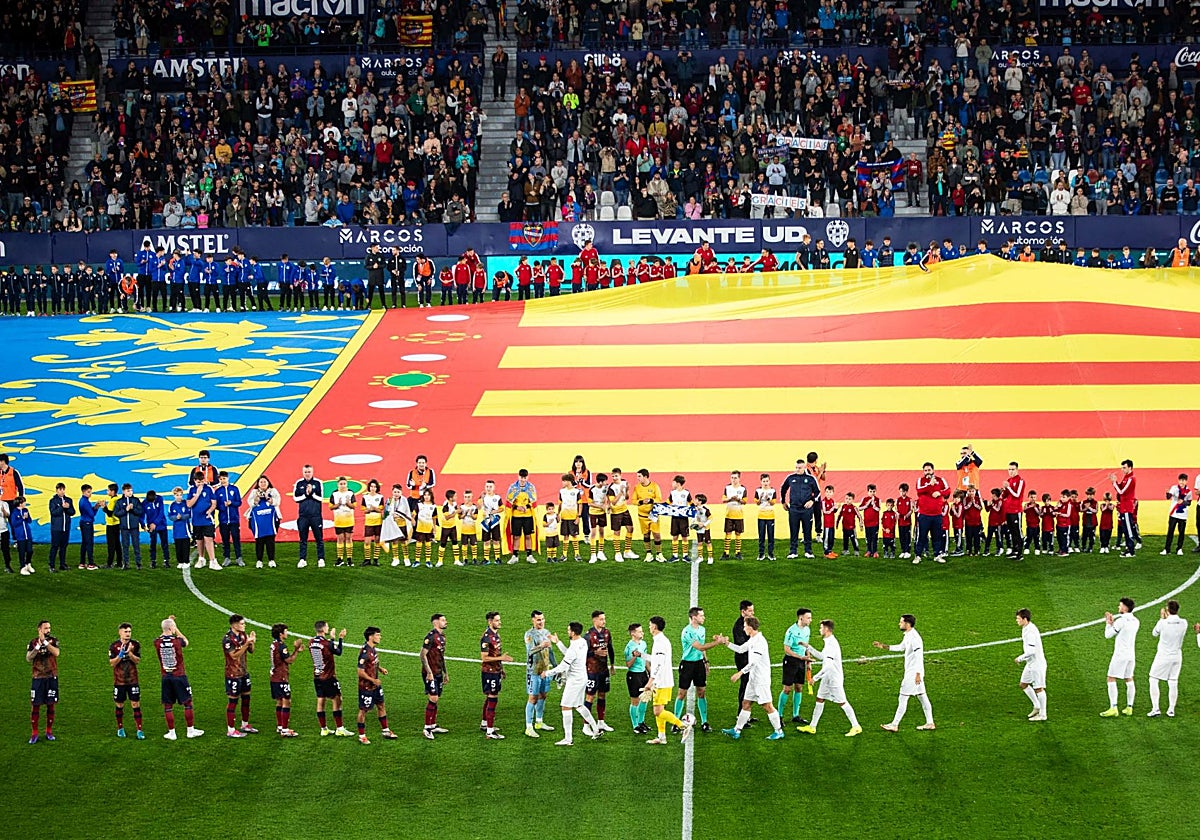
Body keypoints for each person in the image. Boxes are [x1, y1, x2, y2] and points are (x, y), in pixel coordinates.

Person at [719, 615, 784, 740]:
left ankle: (779, 731)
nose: (743, 629)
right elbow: (740, 649)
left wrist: (740, 673)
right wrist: (726, 643)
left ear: (750, 627)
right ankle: (737, 730)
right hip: (754, 679)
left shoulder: (759, 642)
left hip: (761, 680)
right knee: (746, 703)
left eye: (744, 627)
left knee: (767, 706)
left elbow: (753, 662)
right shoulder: (753, 639)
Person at [796, 619, 862, 737]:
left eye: (821, 628)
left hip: (834, 679)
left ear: (826, 629)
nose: (819, 630)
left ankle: (856, 726)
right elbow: (823, 657)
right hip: (827, 678)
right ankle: (812, 727)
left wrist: (815, 678)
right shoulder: (828, 642)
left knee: (842, 702)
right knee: (819, 699)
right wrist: (808, 647)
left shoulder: (831, 644)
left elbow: (829, 665)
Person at [873, 614, 935, 731]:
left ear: (907, 624)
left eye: (901, 622)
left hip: (913, 674)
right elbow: (901, 647)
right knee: (922, 696)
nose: (899, 624)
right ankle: (930, 723)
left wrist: (918, 674)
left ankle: (894, 724)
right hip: (914, 672)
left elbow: (918, 657)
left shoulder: (915, 638)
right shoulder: (908, 635)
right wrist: (883, 646)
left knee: (903, 697)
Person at [674, 607, 725, 734]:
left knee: (701, 692)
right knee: (681, 693)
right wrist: (717, 642)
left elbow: (702, 650)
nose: (704, 617)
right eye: (701, 615)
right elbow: (700, 646)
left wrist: (705, 661)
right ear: (694, 617)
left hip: (699, 664)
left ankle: (704, 722)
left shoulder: (702, 629)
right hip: (687, 665)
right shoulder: (687, 632)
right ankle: (675, 722)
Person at [643, 615, 692, 745]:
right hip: (661, 681)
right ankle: (661, 737)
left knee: (657, 711)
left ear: (654, 627)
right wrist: (642, 655)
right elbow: (656, 659)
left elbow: (658, 664)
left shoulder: (660, 642)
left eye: (650, 625)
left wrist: (650, 681)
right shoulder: (661, 641)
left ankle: (683, 726)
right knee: (659, 709)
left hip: (661, 682)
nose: (649, 627)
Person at [155, 615, 204, 740]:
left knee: (168, 705)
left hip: (166, 677)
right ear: (172, 628)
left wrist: (168, 624)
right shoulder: (177, 641)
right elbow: (186, 641)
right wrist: (175, 628)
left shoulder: (157, 642)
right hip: (179, 676)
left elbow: (163, 633)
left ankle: (172, 733)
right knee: (188, 703)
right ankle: (190, 730)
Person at [309, 621, 352, 736]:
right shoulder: (327, 643)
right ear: (323, 629)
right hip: (328, 677)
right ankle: (340, 729)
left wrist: (331, 639)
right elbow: (338, 652)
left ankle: (324, 729)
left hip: (317, 676)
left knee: (320, 700)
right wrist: (340, 638)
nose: (328, 628)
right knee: (337, 699)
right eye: (327, 626)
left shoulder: (311, 642)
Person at [356, 627, 397, 744]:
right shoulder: (365, 652)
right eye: (378, 635)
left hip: (375, 685)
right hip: (366, 687)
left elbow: (373, 663)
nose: (380, 637)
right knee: (363, 710)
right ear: (371, 637)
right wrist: (372, 680)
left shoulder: (373, 649)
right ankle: (362, 735)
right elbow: (360, 671)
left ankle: (386, 730)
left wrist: (380, 668)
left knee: (381, 705)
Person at [1100, 597, 1140, 717]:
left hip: (1120, 655)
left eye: (1120, 605)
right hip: (1131, 655)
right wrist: (1113, 623)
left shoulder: (1121, 621)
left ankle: (1113, 708)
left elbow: (1108, 635)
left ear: (1125, 608)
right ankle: (1129, 707)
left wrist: (1108, 623)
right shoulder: (1136, 621)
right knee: (1129, 679)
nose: (1118, 607)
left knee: (1111, 678)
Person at [1148, 600, 1187, 718]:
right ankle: (1171, 710)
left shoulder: (1163, 623)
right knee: (1173, 681)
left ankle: (1156, 708)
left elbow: (1154, 633)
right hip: (1177, 656)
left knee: (1153, 679)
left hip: (1164, 656)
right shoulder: (1184, 622)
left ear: (1167, 610)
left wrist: (1162, 619)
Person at [480, 611, 514, 739]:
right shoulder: (486, 637)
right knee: (493, 698)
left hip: (496, 671)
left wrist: (501, 668)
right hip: (489, 672)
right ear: (490, 622)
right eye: (497, 620)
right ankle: (490, 731)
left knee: (490, 697)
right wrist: (502, 658)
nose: (500, 622)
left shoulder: (496, 635)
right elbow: (484, 658)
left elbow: (495, 655)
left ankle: (485, 723)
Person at [523, 610, 557, 738]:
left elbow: (551, 652)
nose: (541, 621)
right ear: (533, 620)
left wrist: (556, 667)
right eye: (538, 619)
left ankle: (539, 722)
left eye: (542, 619)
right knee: (533, 698)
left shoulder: (547, 633)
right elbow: (529, 651)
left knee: (543, 695)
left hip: (545, 671)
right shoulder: (529, 634)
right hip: (534, 671)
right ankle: (528, 727)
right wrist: (541, 646)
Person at [222, 614, 257, 738]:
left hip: (243, 672)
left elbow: (251, 651)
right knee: (233, 701)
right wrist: (247, 643)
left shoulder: (242, 635)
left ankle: (245, 724)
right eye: (242, 623)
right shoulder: (227, 639)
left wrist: (252, 642)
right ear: (234, 625)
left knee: (246, 699)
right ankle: (231, 730)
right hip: (233, 674)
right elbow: (234, 656)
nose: (244, 625)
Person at [27, 620, 60, 744]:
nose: (48, 630)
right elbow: (29, 658)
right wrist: (37, 647)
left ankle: (49, 732)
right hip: (38, 678)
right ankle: (34, 733)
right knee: (35, 705)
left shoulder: (53, 640)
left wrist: (45, 642)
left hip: (51, 676)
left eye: (49, 628)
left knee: (50, 704)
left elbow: (56, 653)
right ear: (39, 629)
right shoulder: (33, 642)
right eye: (46, 628)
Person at [780, 458, 820, 558]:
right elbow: (783, 489)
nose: (798, 469)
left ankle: (808, 551)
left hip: (806, 510)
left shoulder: (811, 478)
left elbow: (818, 492)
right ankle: (793, 551)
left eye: (800, 468)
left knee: (807, 530)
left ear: (804, 467)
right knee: (794, 531)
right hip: (793, 509)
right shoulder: (790, 478)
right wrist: (783, 502)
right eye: (796, 467)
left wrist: (812, 501)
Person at [109, 622, 143, 739]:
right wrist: (120, 654)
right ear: (120, 632)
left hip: (133, 680)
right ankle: (120, 728)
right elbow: (112, 663)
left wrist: (130, 653)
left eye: (129, 631)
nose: (128, 634)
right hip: (119, 681)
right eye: (125, 631)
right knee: (119, 705)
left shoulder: (135, 644)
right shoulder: (114, 646)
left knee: (135, 704)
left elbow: (137, 660)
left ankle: (139, 730)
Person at [780, 608, 813, 724]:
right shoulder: (791, 631)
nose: (810, 620)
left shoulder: (807, 630)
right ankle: (779, 716)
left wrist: (808, 659)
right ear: (801, 618)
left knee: (799, 687)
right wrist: (800, 658)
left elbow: (806, 646)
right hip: (791, 661)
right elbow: (787, 649)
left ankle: (796, 715)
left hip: (802, 661)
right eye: (808, 618)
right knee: (787, 689)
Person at [421, 614, 451, 740]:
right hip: (430, 673)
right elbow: (422, 655)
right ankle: (427, 728)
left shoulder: (442, 637)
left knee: (436, 698)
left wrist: (445, 672)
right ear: (435, 622)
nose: (446, 622)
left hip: (438, 672)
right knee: (433, 698)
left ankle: (433, 725)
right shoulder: (431, 637)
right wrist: (429, 672)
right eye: (443, 620)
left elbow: (441, 656)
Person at [1014, 609, 1047, 721]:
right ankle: (1037, 706)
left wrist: (1020, 658)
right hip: (1031, 663)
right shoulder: (1026, 628)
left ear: (1025, 619)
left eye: (1018, 618)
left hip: (1037, 664)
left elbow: (1031, 651)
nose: (1016, 621)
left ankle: (1043, 714)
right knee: (1023, 684)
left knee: (1039, 688)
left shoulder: (1031, 631)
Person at [914, 462, 950, 563]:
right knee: (921, 536)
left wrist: (940, 492)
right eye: (925, 470)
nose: (927, 472)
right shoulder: (920, 480)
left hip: (937, 514)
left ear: (933, 470)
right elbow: (919, 491)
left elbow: (948, 490)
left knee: (937, 536)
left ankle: (937, 555)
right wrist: (930, 485)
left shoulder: (941, 480)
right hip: (924, 515)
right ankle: (918, 555)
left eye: (929, 470)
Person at [269, 623, 301, 737]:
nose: (287, 633)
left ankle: (280, 726)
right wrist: (296, 649)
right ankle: (285, 729)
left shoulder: (274, 644)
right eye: (286, 631)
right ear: (281, 634)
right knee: (286, 702)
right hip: (281, 677)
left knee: (279, 702)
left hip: (274, 677)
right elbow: (289, 660)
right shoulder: (281, 646)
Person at [293, 464, 326, 568]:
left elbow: (321, 498)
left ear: (312, 472)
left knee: (319, 538)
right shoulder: (299, 483)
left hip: (316, 515)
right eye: (306, 472)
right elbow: (295, 498)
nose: (307, 474)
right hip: (303, 516)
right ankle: (302, 559)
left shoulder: (318, 482)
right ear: (303, 472)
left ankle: (321, 559)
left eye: (309, 472)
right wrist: (305, 495)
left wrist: (312, 494)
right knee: (303, 539)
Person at [186, 472, 218, 570]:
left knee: (208, 538)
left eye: (202, 481)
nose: (200, 484)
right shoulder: (191, 490)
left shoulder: (209, 489)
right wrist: (197, 494)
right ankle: (201, 559)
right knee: (199, 540)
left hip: (207, 519)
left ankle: (213, 561)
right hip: (196, 520)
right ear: (195, 481)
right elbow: (189, 504)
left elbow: (214, 503)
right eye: (198, 482)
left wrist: (210, 511)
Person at [633, 468, 665, 561]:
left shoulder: (655, 486)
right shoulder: (637, 487)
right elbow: (633, 501)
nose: (638, 478)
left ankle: (659, 554)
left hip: (653, 515)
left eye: (639, 476)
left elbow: (659, 499)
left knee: (657, 534)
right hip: (642, 516)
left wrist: (651, 500)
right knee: (646, 535)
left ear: (645, 476)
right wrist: (641, 501)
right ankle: (649, 554)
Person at [505, 469, 537, 564]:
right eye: (521, 477)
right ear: (518, 476)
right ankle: (515, 556)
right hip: (516, 515)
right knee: (516, 536)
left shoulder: (531, 487)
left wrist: (526, 506)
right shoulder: (513, 487)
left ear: (527, 477)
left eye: (525, 477)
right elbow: (508, 502)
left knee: (528, 535)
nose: (523, 479)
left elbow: (533, 501)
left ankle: (529, 555)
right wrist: (517, 507)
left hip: (528, 515)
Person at [624, 622, 650, 734]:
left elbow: (646, 661)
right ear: (633, 633)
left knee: (645, 698)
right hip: (634, 676)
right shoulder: (629, 647)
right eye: (639, 631)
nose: (642, 632)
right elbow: (628, 665)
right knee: (635, 701)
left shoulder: (643, 643)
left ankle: (641, 722)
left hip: (643, 674)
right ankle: (635, 726)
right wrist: (634, 656)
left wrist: (651, 673)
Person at [1109, 459, 1138, 558]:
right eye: (1122, 467)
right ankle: (1128, 548)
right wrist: (1115, 482)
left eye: (1124, 467)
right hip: (1123, 507)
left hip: (1127, 507)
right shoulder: (1126, 477)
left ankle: (1131, 550)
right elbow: (1120, 487)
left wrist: (1114, 483)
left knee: (1128, 529)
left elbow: (1121, 492)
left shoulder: (1131, 479)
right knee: (1125, 528)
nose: (1122, 469)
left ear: (1130, 467)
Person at [215, 472, 244, 567]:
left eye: (224, 478)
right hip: (223, 520)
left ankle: (239, 557)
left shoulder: (234, 489)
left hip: (234, 519)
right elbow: (216, 505)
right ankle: (227, 558)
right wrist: (223, 506)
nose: (222, 480)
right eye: (221, 479)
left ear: (227, 478)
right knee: (225, 540)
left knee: (236, 538)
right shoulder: (218, 491)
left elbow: (239, 502)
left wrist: (231, 503)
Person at [248, 489, 280, 569]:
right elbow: (250, 503)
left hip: (271, 521)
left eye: (264, 482)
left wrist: (268, 497)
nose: (263, 484)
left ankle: (271, 560)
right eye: (261, 482)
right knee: (259, 541)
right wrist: (256, 499)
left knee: (270, 540)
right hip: (258, 522)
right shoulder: (254, 492)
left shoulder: (273, 491)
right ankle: (259, 561)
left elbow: (277, 502)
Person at [47, 482, 74, 572]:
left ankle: (62, 564)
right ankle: (52, 565)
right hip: (56, 528)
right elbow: (53, 513)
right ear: (57, 490)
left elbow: (72, 512)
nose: (62, 491)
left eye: (63, 489)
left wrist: (68, 508)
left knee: (64, 547)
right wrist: (62, 507)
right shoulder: (53, 501)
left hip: (66, 527)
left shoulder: (69, 500)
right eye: (60, 490)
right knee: (54, 546)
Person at [1002, 461, 1027, 559]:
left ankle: (1020, 553)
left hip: (1016, 510)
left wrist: (1008, 487)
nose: (1011, 471)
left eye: (1013, 469)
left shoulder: (1020, 480)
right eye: (1009, 469)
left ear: (1017, 470)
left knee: (1017, 531)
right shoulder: (1009, 480)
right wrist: (1004, 489)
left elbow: (1017, 494)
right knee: (1011, 531)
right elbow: (1005, 496)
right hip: (1008, 510)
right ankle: (1015, 550)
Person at [1163, 474, 1192, 556]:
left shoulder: (1188, 491)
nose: (1181, 482)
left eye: (1183, 480)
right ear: (1178, 480)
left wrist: (1183, 502)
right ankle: (1167, 549)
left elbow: (1189, 503)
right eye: (1180, 480)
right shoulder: (1174, 488)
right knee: (1170, 531)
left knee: (1181, 532)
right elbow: (1169, 497)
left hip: (1183, 515)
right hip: (1173, 513)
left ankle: (1179, 548)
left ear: (1186, 481)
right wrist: (1167, 493)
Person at [721, 470, 747, 560]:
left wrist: (738, 499)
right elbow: (723, 500)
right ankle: (726, 553)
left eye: (735, 478)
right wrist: (730, 499)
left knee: (738, 533)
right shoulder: (727, 488)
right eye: (732, 478)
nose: (733, 480)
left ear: (739, 478)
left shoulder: (742, 489)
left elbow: (745, 501)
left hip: (739, 515)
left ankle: (738, 552)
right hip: (729, 514)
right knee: (727, 533)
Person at [360, 479, 385, 566]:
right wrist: (370, 509)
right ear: (369, 487)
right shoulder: (365, 497)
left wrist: (374, 509)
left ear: (377, 488)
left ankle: (375, 559)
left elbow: (381, 509)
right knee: (367, 541)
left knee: (377, 540)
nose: (373, 488)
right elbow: (363, 509)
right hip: (369, 521)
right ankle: (367, 559)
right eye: (371, 486)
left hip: (378, 521)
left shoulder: (380, 497)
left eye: (374, 487)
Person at [142, 489, 168, 569]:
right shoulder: (144, 503)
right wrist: (143, 525)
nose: (152, 503)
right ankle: (153, 561)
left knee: (164, 543)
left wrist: (155, 523)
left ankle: (166, 560)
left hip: (162, 525)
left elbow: (161, 513)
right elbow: (141, 515)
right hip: (151, 527)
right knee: (153, 544)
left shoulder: (160, 499)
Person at [77, 483, 99, 570]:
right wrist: (96, 508)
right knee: (89, 543)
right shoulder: (85, 502)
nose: (90, 494)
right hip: (87, 524)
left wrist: (95, 507)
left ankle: (82, 563)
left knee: (84, 543)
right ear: (83, 492)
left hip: (83, 522)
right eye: (88, 492)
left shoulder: (82, 500)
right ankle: (90, 564)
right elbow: (91, 514)